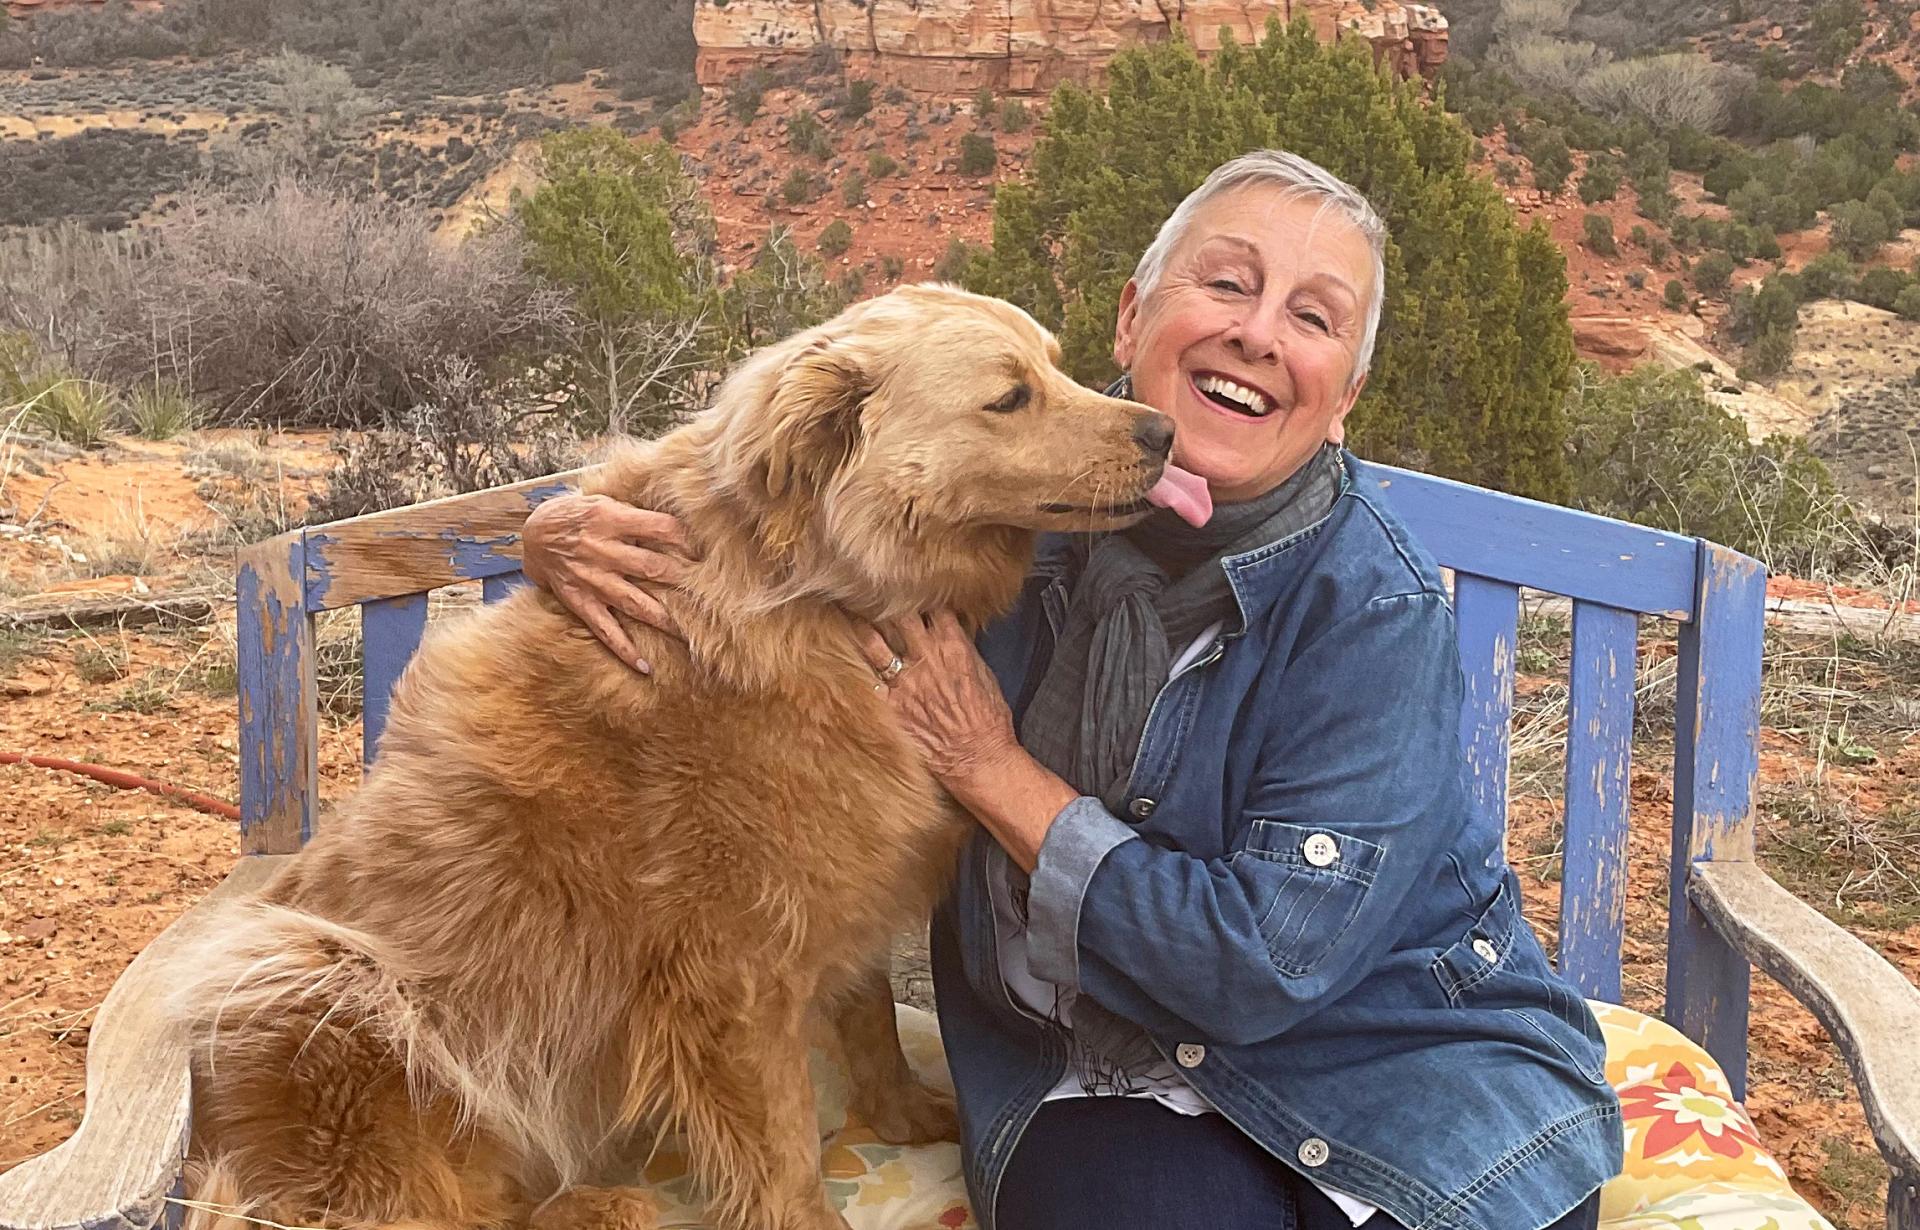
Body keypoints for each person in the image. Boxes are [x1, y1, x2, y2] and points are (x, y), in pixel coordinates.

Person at [520, 150, 1623, 1230]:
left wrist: (989, 768)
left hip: (1398, 1062)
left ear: (1346, 398)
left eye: (1313, 316)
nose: (1257, 332)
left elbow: (1263, 968)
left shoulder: (1374, 611)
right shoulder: (1002, 505)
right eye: (1227, 283)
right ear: (1132, 319)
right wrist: (558, 529)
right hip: (1104, 1069)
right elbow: (777, 471)